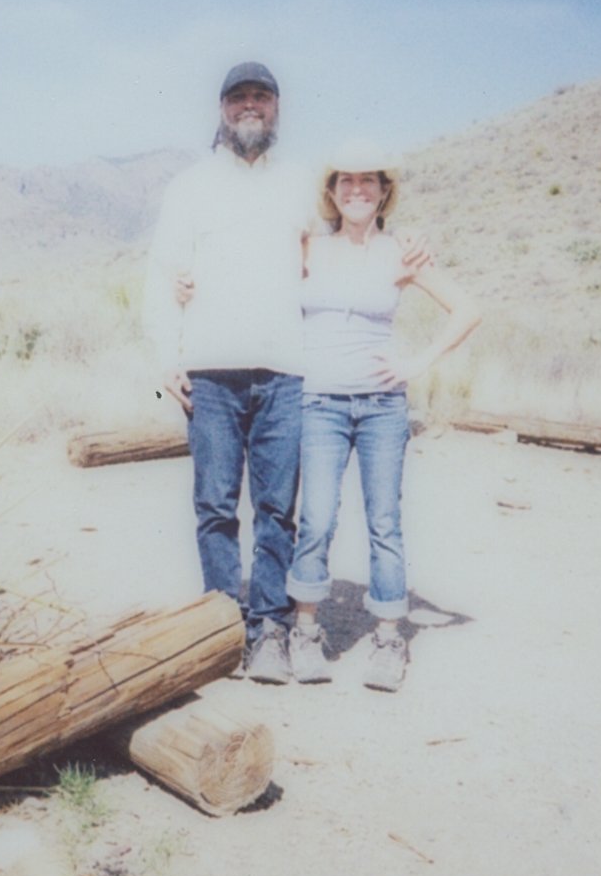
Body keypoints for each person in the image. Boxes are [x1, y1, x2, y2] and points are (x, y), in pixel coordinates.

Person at [281, 142, 478, 692]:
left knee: (384, 522)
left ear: (385, 190)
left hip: (381, 408)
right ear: (332, 191)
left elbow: (468, 309)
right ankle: (305, 632)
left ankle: (390, 639)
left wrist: (418, 362)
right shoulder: (308, 249)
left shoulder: (401, 252)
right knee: (316, 518)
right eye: (346, 180)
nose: (357, 190)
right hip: (319, 403)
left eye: (369, 181)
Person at [143, 62, 314, 682]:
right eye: (238, 97)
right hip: (210, 371)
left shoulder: (301, 185)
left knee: (277, 506)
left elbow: (329, 262)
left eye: (261, 97)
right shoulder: (190, 187)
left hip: (286, 370)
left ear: (276, 109)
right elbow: (163, 274)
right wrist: (167, 357)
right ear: (221, 109)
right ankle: (222, 629)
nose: (250, 106)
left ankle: (269, 626)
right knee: (215, 504)